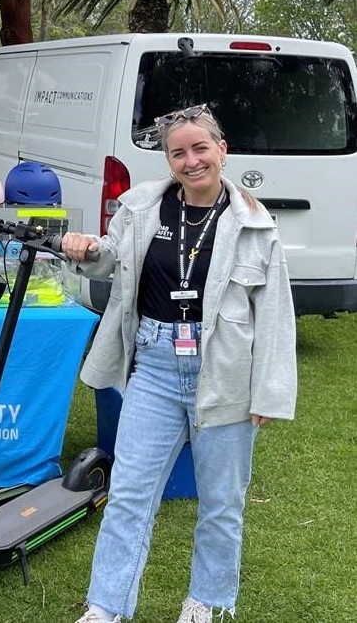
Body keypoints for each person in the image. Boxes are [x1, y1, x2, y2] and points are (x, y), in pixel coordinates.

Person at [63, 104, 297, 623]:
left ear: (222, 150)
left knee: (221, 503)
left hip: (226, 374)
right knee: (128, 495)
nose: (191, 161)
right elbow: (110, 259)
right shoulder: (142, 207)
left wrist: (269, 393)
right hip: (155, 367)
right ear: (168, 160)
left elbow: (276, 315)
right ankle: (105, 608)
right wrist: (85, 249)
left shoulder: (255, 224)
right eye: (179, 152)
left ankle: (206, 601)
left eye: (200, 149)